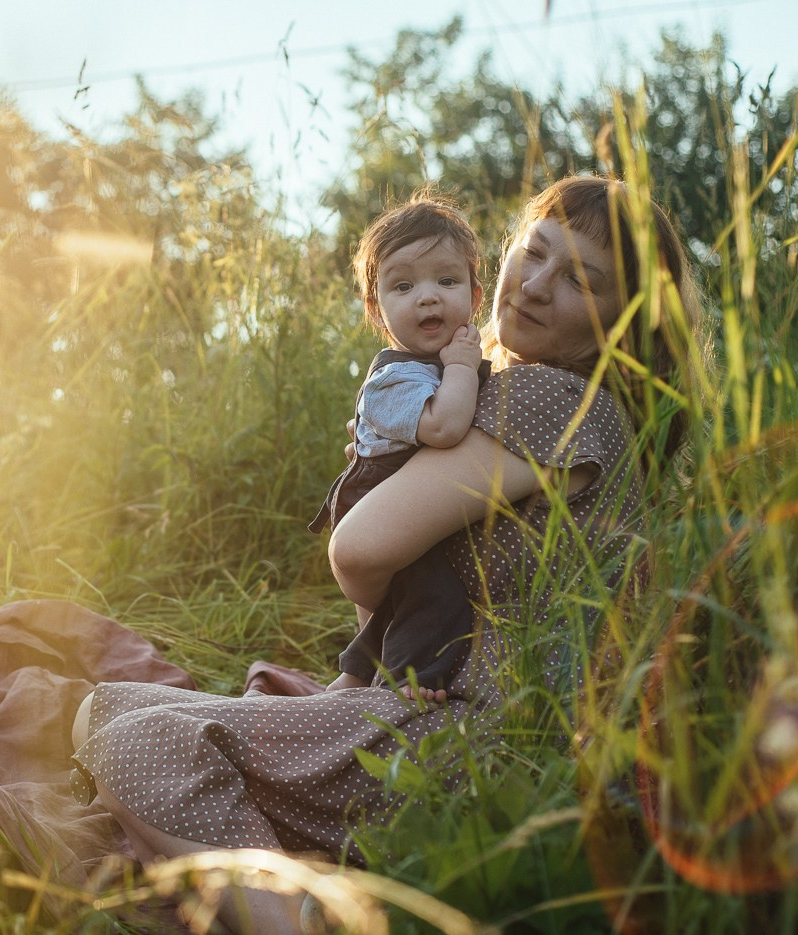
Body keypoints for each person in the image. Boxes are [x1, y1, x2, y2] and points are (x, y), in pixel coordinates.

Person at [71, 175, 701, 934]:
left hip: (472, 734)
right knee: (105, 706)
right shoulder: (546, 402)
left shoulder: (549, 400)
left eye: (580, 280)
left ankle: (298, 919)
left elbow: (360, 549)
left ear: (621, 321)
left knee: (139, 741)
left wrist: (377, 508)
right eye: (533, 253)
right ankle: (283, 870)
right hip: (459, 713)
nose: (535, 285)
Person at [307, 193, 490, 699]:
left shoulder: (452, 357)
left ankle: (353, 678)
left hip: (409, 491)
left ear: (476, 297)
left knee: (404, 603)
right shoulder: (394, 377)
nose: (427, 297)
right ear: (378, 309)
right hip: (377, 496)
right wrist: (460, 369)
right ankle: (413, 679)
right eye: (404, 285)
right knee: (431, 591)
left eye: (446, 281)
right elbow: (446, 428)